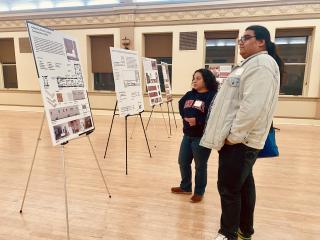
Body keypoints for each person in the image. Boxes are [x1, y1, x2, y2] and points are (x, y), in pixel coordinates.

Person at [200, 25, 284, 239]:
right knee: (243, 186)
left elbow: (252, 107)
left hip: (240, 142)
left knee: (228, 189)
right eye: (240, 39)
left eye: (246, 38)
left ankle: (227, 234)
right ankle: (244, 231)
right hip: (238, 140)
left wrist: (233, 137)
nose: (241, 42)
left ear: (261, 41)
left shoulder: (262, 65)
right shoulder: (250, 65)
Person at [171, 68, 218, 203]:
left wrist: (198, 121)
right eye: (194, 78)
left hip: (202, 137)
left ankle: (199, 192)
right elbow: (181, 104)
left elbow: (214, 116)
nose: (194, 81)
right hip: (187, 135)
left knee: (200, 166)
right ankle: (185, 187)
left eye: (198, 78)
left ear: (206, 80)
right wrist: (184, 117)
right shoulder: (189, 94)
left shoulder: (213, 96)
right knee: (183, 161)